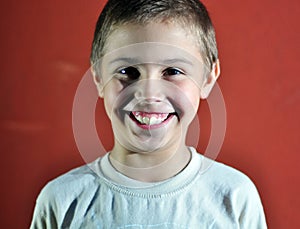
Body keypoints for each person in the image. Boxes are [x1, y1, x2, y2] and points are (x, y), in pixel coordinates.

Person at [30, 0, 267, 228]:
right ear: (99, 77)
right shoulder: (61, 201)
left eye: (172, 71)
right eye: (127, 71)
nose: (149, 93)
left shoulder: (234, 197)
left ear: (207, 78)